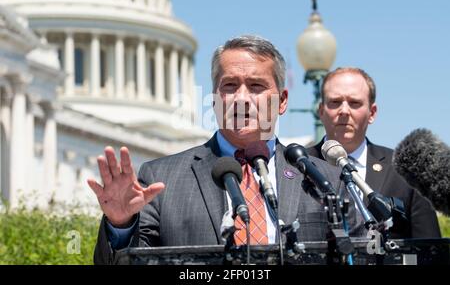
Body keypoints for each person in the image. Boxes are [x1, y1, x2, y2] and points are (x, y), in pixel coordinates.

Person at [87, 35, 343, 265]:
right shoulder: (160, 178)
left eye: (256, 86)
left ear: (282, 101)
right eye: (230, 85)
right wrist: (120, 225)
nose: (241, 98)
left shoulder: (324, 178)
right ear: (214, 99)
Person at [307, 67, 441, 239]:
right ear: (321, 111)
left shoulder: (406, 171)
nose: (344, 111)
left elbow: (430, 249)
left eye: (354, 103)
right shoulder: (295, 166)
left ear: (372, 112)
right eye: (335, 102)